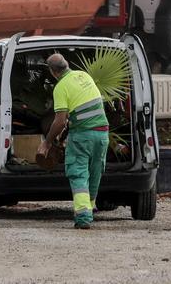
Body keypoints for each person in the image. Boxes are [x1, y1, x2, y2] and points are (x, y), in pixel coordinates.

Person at [38, 53, 109, 229]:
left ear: (53, 72)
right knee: (95, 171)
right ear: (67, 64)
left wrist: (47, 142)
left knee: (78, 173)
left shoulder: (61, 87)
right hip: (102, 133)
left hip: (82, 136)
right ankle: (90, 207)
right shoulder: (84, 75)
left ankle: (83, 216)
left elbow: (60, 121)